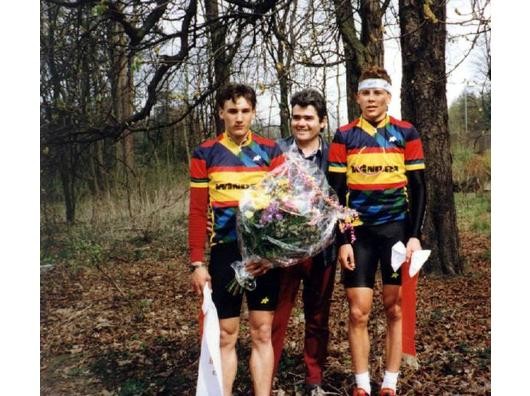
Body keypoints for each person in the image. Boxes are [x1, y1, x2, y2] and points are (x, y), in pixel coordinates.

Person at [328, 66, 426, 396]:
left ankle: (389, 381)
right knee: (358, 310)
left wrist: (414, 235)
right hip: (359, 232)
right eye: (365, 93)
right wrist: (342, 239)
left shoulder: (406, 132)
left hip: (396, 231)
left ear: (388, 96)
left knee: (394, 306)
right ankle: (360, 384)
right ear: (357, 97)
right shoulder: (343, 135)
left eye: (378, 92)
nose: (371, 99)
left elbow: (419, 187)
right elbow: (335, 193)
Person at [188, 83, 285, 396]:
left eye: (245, 111)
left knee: (262, 332)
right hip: (224, 254)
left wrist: (270, 254)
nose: (239, 118)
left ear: (254, 112)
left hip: (262, 257)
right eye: (232, 111)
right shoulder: (205, 153)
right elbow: (197, 211)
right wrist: (196, 262)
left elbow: (282, 211)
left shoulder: (271, 151)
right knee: (226, 335)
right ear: (221, 113)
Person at [271, 89, 336, 396]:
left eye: (309, 118)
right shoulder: (277, 150)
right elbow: (260, 195)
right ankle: (265, 377)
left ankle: (314, 379)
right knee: (275, 317)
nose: (301, 123)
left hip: (322, 251)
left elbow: (343, 199)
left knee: (318, 317)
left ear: (322, 122)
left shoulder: (336, 154)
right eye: (296, 117)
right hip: (282, 250)